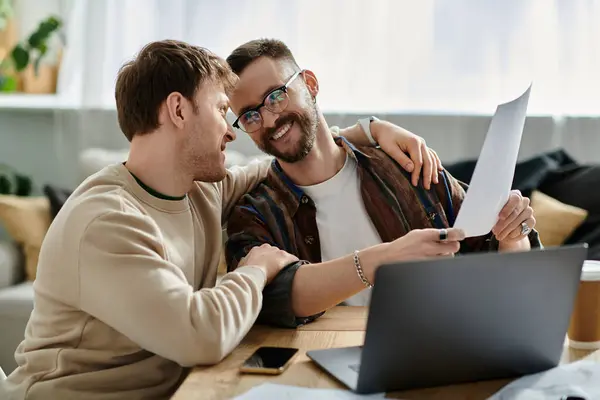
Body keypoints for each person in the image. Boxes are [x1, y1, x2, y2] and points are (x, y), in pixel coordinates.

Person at [0, 40, 443, 400]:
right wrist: (256, 270)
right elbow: (200, 334)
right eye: (219, 110)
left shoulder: (200, 189)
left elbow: (291, 151)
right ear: (178, 110)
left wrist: (375, 128)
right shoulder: (106, 221)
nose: (233, 130)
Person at [224, 38, 542, 328]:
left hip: (449, 341)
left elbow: (497, 258)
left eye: (276, 97)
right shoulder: (255, 213)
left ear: (310, 84)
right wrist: (384, 259)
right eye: (250, 115)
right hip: (324, 363)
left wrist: (513, 236)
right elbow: (272, 300)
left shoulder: (406, 165)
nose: (268, 120)